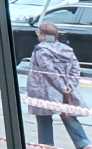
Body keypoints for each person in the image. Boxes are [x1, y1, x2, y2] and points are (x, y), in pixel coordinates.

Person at [27, 21, 90, 149]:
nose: (37, 35)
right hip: (67, 91)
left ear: (44, 36)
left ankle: (47, 145)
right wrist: (69, 86)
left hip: (44, 92)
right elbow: (76, 70)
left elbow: (49, 72)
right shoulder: (67, 49)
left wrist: (63, 88)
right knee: (69, 117)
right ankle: (83, 144)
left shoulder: (41, 51)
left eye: (38, 32)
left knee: (44, 120)